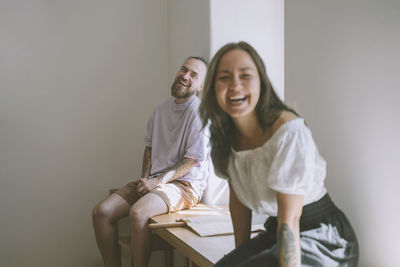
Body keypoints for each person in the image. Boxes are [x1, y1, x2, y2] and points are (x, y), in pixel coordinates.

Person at [199, 42, 359, 267]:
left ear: (261, 83)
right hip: (275, 232)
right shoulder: (223, 136)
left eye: (245, 75)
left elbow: (290, 219)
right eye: (224, 77)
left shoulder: (289, 132)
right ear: (212, 87)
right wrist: (241, 255)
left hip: (322, 237)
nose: (235, 85)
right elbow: (239, 202)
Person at [92, 56, 210, 267]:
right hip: (155, 180)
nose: (185, 76)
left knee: (138, 212)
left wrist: (156, 183)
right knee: (101, 212)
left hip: (185, 186)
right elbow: (149, 147)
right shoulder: (161, 108)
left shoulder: (199, 113)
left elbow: (192, 160)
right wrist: (145, 179)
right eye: (184, 70)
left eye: (194, 75)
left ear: (201, 86)